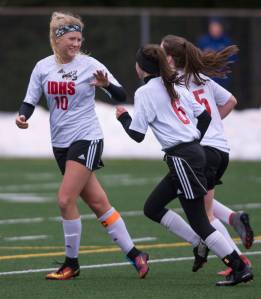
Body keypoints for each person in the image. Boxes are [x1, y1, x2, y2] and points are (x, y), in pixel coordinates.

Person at [15, 11, 149, 280]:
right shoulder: (43, 67)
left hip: (87, 138)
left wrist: (106, 84)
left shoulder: (89, 65)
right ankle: (136, 254)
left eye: (79, 39)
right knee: (99, 204)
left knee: (65, 199)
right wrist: (22, 116)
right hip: (61, 143)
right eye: (71, 39)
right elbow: (30, 99)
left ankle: (71, 263)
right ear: (57, 38)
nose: (76, 44)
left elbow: (122, 94)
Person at [116, 44, 253, 286]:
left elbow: (137, 134)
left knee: (200, 220)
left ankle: (238, 266)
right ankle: (204, 245)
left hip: (183, 158)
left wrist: (123, 118)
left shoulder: (146, 92)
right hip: (190, 155)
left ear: (141, 68)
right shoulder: (173, 84)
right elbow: (205, 117)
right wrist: (193, 143)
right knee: (152, 207)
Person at [160, 34, 253, 276]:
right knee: (203, 203)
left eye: (161, 52)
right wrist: (213, 124)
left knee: (204, 214)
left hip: (201, 151)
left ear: (170, 58)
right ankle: (233, 220)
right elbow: (231, 101)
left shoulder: (173, 82)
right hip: (220, 149)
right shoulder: (200, 77)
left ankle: (239, 262)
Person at [197, 18, 235, 88]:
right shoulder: (203, 41)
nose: (215, 29)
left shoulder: (227, 41)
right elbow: (197, 57)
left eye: (216, 27)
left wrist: (219, 56)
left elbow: (233, 58)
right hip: (207, 76)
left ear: (221, 28)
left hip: (223, 77)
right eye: (212, 27)